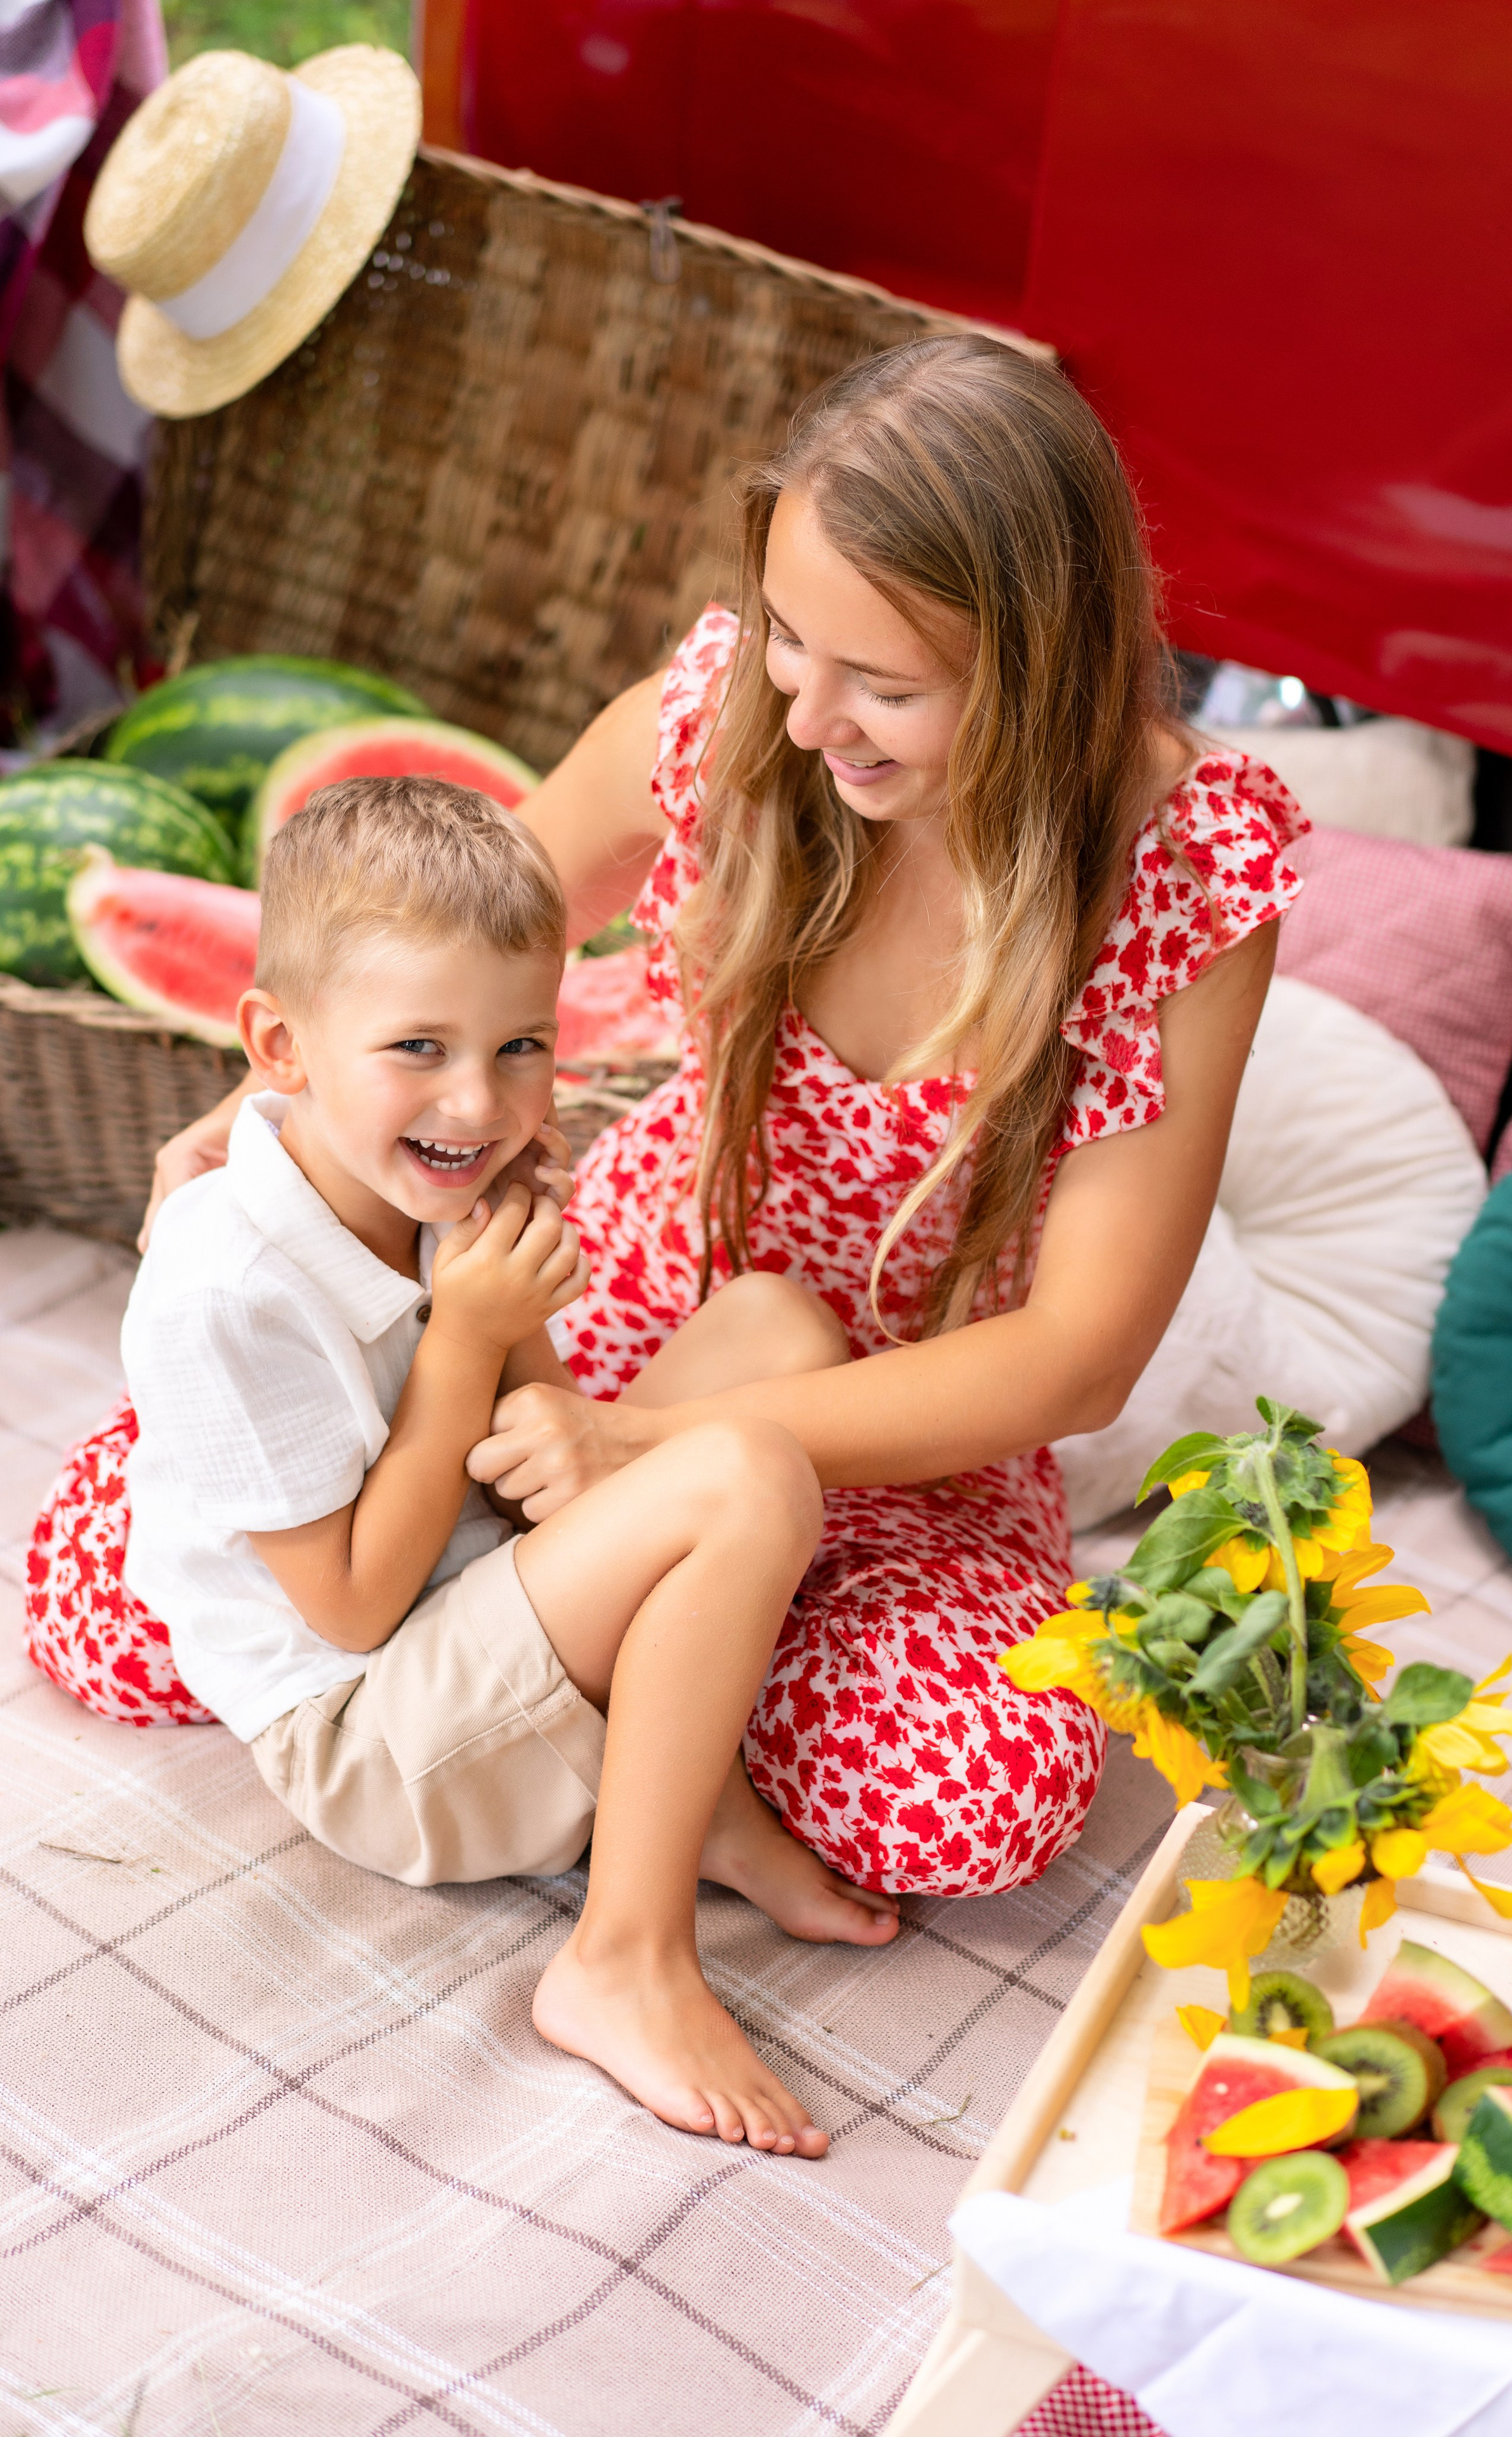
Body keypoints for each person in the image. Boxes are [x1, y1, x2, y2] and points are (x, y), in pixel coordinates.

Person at [34, 333, 1306, 1901]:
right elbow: (429, 935)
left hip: (910, 1426)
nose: (812, 713)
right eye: (789, 638)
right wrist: (263, 1097)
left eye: (887, 685)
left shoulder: (1183, 872)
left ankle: (616, 1690)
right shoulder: (719, 716)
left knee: (985, 1797)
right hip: (606, 1304)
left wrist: (634, 1444)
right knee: (92, 1597)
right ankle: (645, 1700)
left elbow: (1077, 1357)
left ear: (1043, 668)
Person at [119, 772, 900, 2158]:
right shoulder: (221, 1283)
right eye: (416, 1048)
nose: (478, 1101)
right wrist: (468, 1335)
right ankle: (621, 1956)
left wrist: (517, 1345)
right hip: (368, 1733)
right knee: (744, 1481)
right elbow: (353, 1607)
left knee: (775, 1328)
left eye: (521, 1046)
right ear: (279, 1046)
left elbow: (535, 1465)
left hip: (464, 1601)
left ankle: (682, 1791)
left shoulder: (433, 1171)